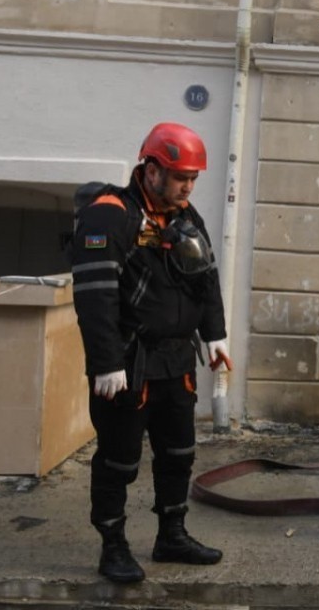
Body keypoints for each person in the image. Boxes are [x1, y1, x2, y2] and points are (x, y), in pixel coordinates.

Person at [69, 122, 228, 583]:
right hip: (128, 364)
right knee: (118, 459)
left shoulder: (184, 215)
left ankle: (171, 536)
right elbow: (95, 294)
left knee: (179, 453)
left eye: (193, 178)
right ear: (152, 169)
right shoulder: (110, 214)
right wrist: (105, 363)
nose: (188, 187)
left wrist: (215, 334)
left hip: (176, 362)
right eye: (181, 177)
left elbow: (206, 276)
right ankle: (113, 547)